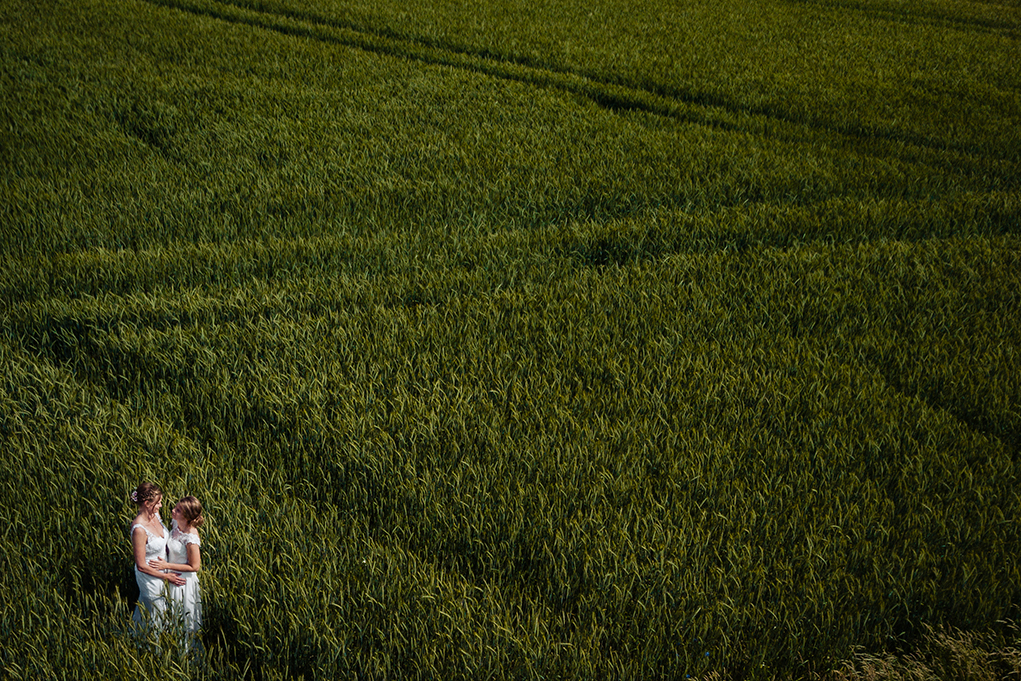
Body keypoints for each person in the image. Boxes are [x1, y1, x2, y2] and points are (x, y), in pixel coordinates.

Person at [129, 482, 185, 632]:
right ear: (147, 504)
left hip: (164, 569)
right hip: (149, 575)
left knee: (149, 609)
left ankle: (136, 638)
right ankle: (155, 649)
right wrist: (167, 577)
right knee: (157, 612)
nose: (161, 505)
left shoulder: (155, 515)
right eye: (158, 502)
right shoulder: (139, 530)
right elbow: (141, 565)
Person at [150, 495, 204, 639]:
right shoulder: (176, 523)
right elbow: (157, 518)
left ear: (187, 516)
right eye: (176, 507)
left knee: (183, 618)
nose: (173, 510)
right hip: (170, 578)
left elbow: (195, 566)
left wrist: (166, 565)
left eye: (178, 510)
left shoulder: (191, 536)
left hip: (183, 582)